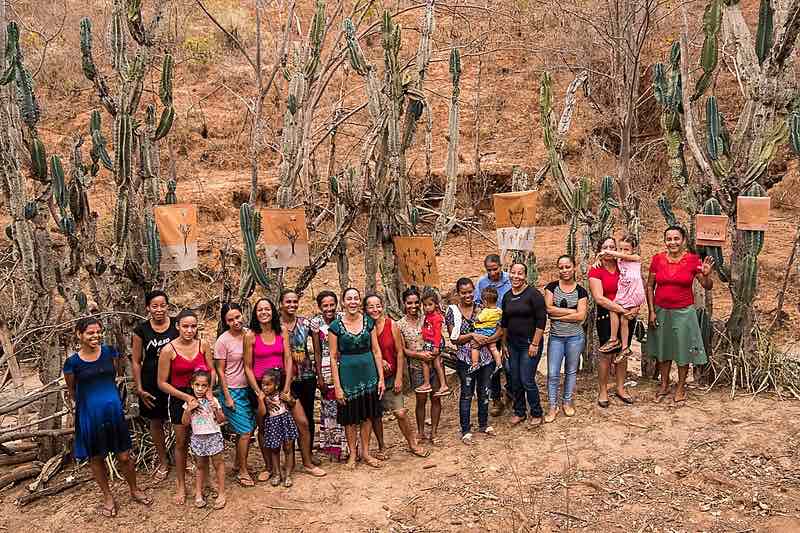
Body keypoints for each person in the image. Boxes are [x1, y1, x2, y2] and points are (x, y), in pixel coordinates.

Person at [64, 317, 152, 518]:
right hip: (90, 415)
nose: (95, 336)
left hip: (113, 413)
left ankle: (134, 489)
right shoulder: (72, 363)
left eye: (98, 332)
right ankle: (107, 496)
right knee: (97, 458)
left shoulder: (110, 352)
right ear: (79, 335)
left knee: (124, 455)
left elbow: (114, 376)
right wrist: (90, 406)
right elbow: (72, 390)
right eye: (90, 333)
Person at [244, 297, 326, 479]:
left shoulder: (281, 331)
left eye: (267, 309)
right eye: (260, 310)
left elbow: (288, 359)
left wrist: (287, 387)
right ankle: (269, 468)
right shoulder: (250, 335)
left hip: (283, 384)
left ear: (273, 311)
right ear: (255, 314)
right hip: (261, 387)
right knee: (264, 427)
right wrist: (259, 393)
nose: (264, 313)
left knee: (302, 423)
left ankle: (307, 462)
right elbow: (247, 367)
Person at [646, 225, 715, 403]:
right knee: (663, 348)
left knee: (682, 350)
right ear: (665, 241)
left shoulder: (692, 260)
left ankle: (681, 387)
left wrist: (707, 275)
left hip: (684, 312)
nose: (672, 242)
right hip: (661, 310)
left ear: (683, 240)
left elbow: (707, 285)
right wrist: (652, 311)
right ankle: (664, 384)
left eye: (676, 238)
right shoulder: (657, 259)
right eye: (669, 239)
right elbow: (649, 286)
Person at [157, 308, 215, 504]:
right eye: (185, 326)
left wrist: (208, 392)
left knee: (204, 438)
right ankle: (181, 485)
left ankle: (206, 480)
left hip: (202, 395)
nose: (190, 330)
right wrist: (186, 397)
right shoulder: (168, 350)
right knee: (181, 442)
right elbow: (162, 382)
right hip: (179, 397)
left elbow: (211, 370)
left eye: (193, 326)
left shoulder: (203, 345)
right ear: (177, 327)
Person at [364, 293, 429, 459]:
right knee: (375, 414)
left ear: (383, 306)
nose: (375, 309)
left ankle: (412, 444)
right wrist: (377, 361)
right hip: (371, 377)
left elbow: (400, 352)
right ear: (365, 309)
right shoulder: (363, 327)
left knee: (400, 412)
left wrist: (400, 376)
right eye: (370, 306)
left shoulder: (391, 324)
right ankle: (381, 447)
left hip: (392, 376)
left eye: (378, 305)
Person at [329, 287, 385, 468]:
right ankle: (353, 453)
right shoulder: (335, 326)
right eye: (349, 299)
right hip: (348, 376)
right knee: (350, 417)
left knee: (368, 415)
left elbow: (376, 351)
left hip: (369, 375)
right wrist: (337, 386)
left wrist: (381, 378)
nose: (352, 302)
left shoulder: (368, 322)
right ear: (343, 302)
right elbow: (333, 356)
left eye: (356, 299)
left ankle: (366, 453)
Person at [446, 278, 501, 444]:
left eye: (470, 291)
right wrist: (472, 336)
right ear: (458, 294)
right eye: (463, 293)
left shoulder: (483, 307)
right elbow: (454, 339)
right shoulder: (453, 312)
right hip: (465, 358)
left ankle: (483, 424)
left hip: (486, 357)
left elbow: (499, 330)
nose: (467, 295)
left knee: (485, 390)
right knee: (467, 393)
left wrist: (487, 339)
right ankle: (465, 429)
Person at [131, 290, 178, 482]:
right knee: (156, 422)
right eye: (154, 306)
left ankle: (182, 455)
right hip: (151, 382)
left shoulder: (177, 325)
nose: (159, 310)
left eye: (162, 305)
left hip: (175, 381)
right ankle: (162, 461)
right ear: (148, 308)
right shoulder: (141, 330)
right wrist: (139, 388)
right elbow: (136, 361)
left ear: (168, 306)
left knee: (180, 421)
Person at [589, 237, 636, 408]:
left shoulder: (623, 265)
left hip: (627, 312)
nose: (609, 250)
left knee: (623, 351)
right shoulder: (596, 270)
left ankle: (621, 387)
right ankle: (603, 389)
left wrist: (634, 308)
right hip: (607, 314)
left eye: (612, 247)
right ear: (600, 250)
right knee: (607, 354)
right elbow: (599, 298)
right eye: (605, 247)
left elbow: (636, 283)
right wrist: (620, 309)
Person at [214, 302, 256, 487]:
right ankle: (243, 471)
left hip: (249, 389)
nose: (235, 322)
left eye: (237, 317)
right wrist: (227, 396)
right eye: (230, 319)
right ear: (225, 321)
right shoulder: (223, 341)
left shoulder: (249, 334)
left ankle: (239, 463)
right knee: (245, 431)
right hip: (232, 389)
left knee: (246, 430)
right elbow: (220, 371)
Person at [500, 262, 547, 427]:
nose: (516, 276)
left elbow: (542, 321)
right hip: (512, 344)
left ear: (525, 276)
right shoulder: (507, 296)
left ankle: (536, 412)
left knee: (527, 379)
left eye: (520, 273)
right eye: (513, 273)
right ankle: (519, 411)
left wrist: (535, 343)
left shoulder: (534, 295)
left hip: (529, 343)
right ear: (509, 273)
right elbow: (504, 322)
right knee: (514, 378)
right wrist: (504, 344)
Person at [544, 255, 589, 423]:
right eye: (561, 267)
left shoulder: (581, 291)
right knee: (553, 373)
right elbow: (548, 310)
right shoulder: (551, 288)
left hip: (575, 338)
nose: (564, 270)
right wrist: (571, 311)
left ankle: (567, 401)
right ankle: (552, 405)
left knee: (571, 371)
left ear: (574, 267)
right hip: (556, 337)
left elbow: (581, 316)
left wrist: (559, 314)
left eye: (567, 267)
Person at [397, 286, 445, 444]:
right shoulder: (400, 325)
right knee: (421, 400)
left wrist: (436, 352)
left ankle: (435, 432)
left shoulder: (428, 316)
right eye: (409, 303)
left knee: (436, 398)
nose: (413, 306)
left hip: (434, 364)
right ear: (404, 303)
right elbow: (402, 349)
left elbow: (438, 334)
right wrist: (419, 354)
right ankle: (420, 432)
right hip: (417, 367)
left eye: (416, 302)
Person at [278, 290, 321, 466]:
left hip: (307, 376)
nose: (292, 305)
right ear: (281, 304)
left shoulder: (306, 323)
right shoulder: (276, 325)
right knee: (287, 418)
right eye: (288, 302)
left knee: (308, 416)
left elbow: (317, 350)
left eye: (295, 302)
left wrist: (319, 373)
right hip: (285, 378)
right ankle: (290, 457)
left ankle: (308, 454)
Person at [309, 290, 348, 461]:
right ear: (319, 307)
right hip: (326, 367)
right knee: (330, 407)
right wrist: (319, 376)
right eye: (325, 305)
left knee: (346, 404)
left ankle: (347, 446)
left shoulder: (343, 318)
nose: (329, 308)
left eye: (332, 304)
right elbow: (317, 352)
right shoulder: (316, 323)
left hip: (344, 365)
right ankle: (333, 447)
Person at [181, 370, 226, 510]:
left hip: (213, 436)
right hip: (198, 437)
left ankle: (222, 492)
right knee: (200, 466)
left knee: (218, 464)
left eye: (204, 385)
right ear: (192, 385)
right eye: (197, 385)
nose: (200, 389)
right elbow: (184, 423)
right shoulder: (189, 402)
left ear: (208, 387)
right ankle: (198, 493)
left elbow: (222, 420)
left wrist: (215, 409)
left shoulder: (214, 401)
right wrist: (188, 409)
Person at [474, 254, 512, 416]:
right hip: (490, 329)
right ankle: (496, 399)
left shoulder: (510, 280)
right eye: (489, 270)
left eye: (495, 269)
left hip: (509, 328)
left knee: (510, 365)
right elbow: (477, 304)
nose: (492, 273)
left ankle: (512, 394)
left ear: (501, 266)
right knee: (493, 367)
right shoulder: (482, 282)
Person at [598, 235, 645, 362]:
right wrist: (598, 260)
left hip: (634, 292)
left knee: (614, 308)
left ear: (633, 250)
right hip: (626, 292)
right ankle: (625, 347)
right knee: (623, 319)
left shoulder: (636, 258)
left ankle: (613, 339)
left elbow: (625, 257)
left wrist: (611, 252)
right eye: (621, 249)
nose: (623, 252)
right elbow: (607, 260)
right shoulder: (619, 261)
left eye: (626, 249)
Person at [256, 368, 300, 488]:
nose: (264, 387)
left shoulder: (282, 395)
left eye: (268, 384)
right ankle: (276, 474)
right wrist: (260, 400)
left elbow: (292, 404)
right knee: (274, 450)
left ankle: (288, 475)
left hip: (285, 423)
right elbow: (262, 413)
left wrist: (289, 399)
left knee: (288, 448)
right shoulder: (264, 398)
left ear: (276, 385)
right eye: (263, 384)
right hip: (272, 425)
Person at [415, 288, 449, 396]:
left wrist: (436, 346)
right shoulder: (428, 316)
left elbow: (438, 333)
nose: (427, 307)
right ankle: (443, 385)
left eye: (430, 304)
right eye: (425, 305)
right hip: (431, 342)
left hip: (434, 342)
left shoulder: (436, 317)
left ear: (435, 304)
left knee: (425, 360)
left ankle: (427, 383)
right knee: (436, 362)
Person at [469, 287, 503, 374]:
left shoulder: (486, 311)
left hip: (482, 331)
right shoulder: (498, 311)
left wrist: (478, 312)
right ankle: (499, 364)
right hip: (492, 331)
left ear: (485, 301)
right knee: (493, 348)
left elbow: (478, 319)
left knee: (474, 347)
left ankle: (475, 364)